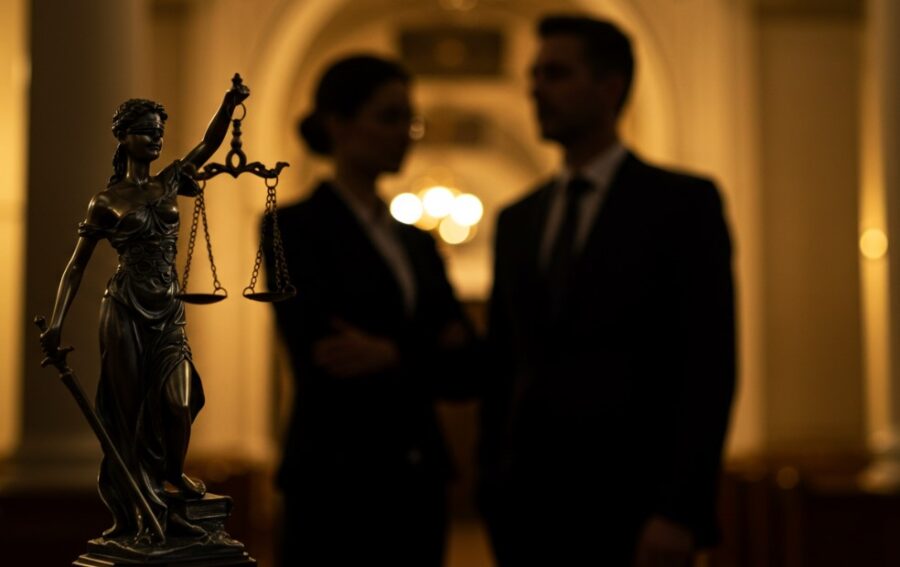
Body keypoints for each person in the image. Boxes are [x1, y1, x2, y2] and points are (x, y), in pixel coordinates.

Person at [477, 15, 736, 566]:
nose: (536, 89)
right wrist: (491, 488)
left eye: (556, 73)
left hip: (637, 507)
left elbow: (708, 364)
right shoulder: (518, 219)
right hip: (527, 509)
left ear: (610, 86)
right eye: (534, 75)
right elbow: (504, 362)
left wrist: (680, 511)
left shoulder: (681, 204)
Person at [268, 54, 477, 566]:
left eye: (411, 119)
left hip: (419, 474)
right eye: (389, 117)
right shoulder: (294, 228)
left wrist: (391, 353)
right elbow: (323, 353)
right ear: (338, 124)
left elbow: (469, 365)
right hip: (334, 475)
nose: (405, 133)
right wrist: (428, 347)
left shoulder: (416, 243)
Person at [39, 81, 249, 543]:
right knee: (131, 413)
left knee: (179, 401)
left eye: (159, 132)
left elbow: (209, 143)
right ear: (124, 136)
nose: (156, 139)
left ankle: (172, 474)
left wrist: (229, 103)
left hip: (168, 308)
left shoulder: (169, 180)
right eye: (146, 131)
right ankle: (146, 507)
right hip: (124, 310)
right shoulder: (106, 201)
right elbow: (76, 266)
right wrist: (56, 323)